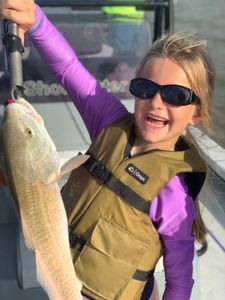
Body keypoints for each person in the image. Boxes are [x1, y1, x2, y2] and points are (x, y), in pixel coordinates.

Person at [0, 1, 215, 299]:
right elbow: (68, 68)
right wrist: (36, 20)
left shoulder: (174, 194)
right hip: (63, 281)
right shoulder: (108, 121)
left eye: (176, 95)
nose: (156, 101)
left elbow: (180, 282)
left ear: (196, 114)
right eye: (145, 87)